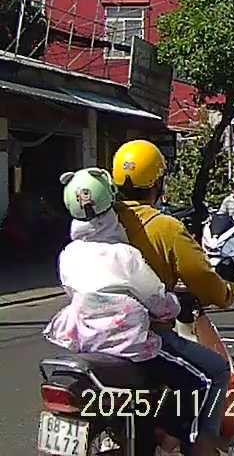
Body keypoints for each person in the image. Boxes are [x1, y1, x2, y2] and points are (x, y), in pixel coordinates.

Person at [44, 168, 188, 455]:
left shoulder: (68, 255)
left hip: (86, 343)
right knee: (189, 375)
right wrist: (175, 305)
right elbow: (156, 299)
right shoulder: (125, 254)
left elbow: (73, 291)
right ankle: (169, 436)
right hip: (130, 345)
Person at [111, 140, 234, 456]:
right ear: (158, 182)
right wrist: (228, 292)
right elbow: (203, 278)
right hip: (143, 334)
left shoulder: (101, 223)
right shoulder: (165, 228)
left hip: (88, 332)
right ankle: (201, 445)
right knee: (216, 371)